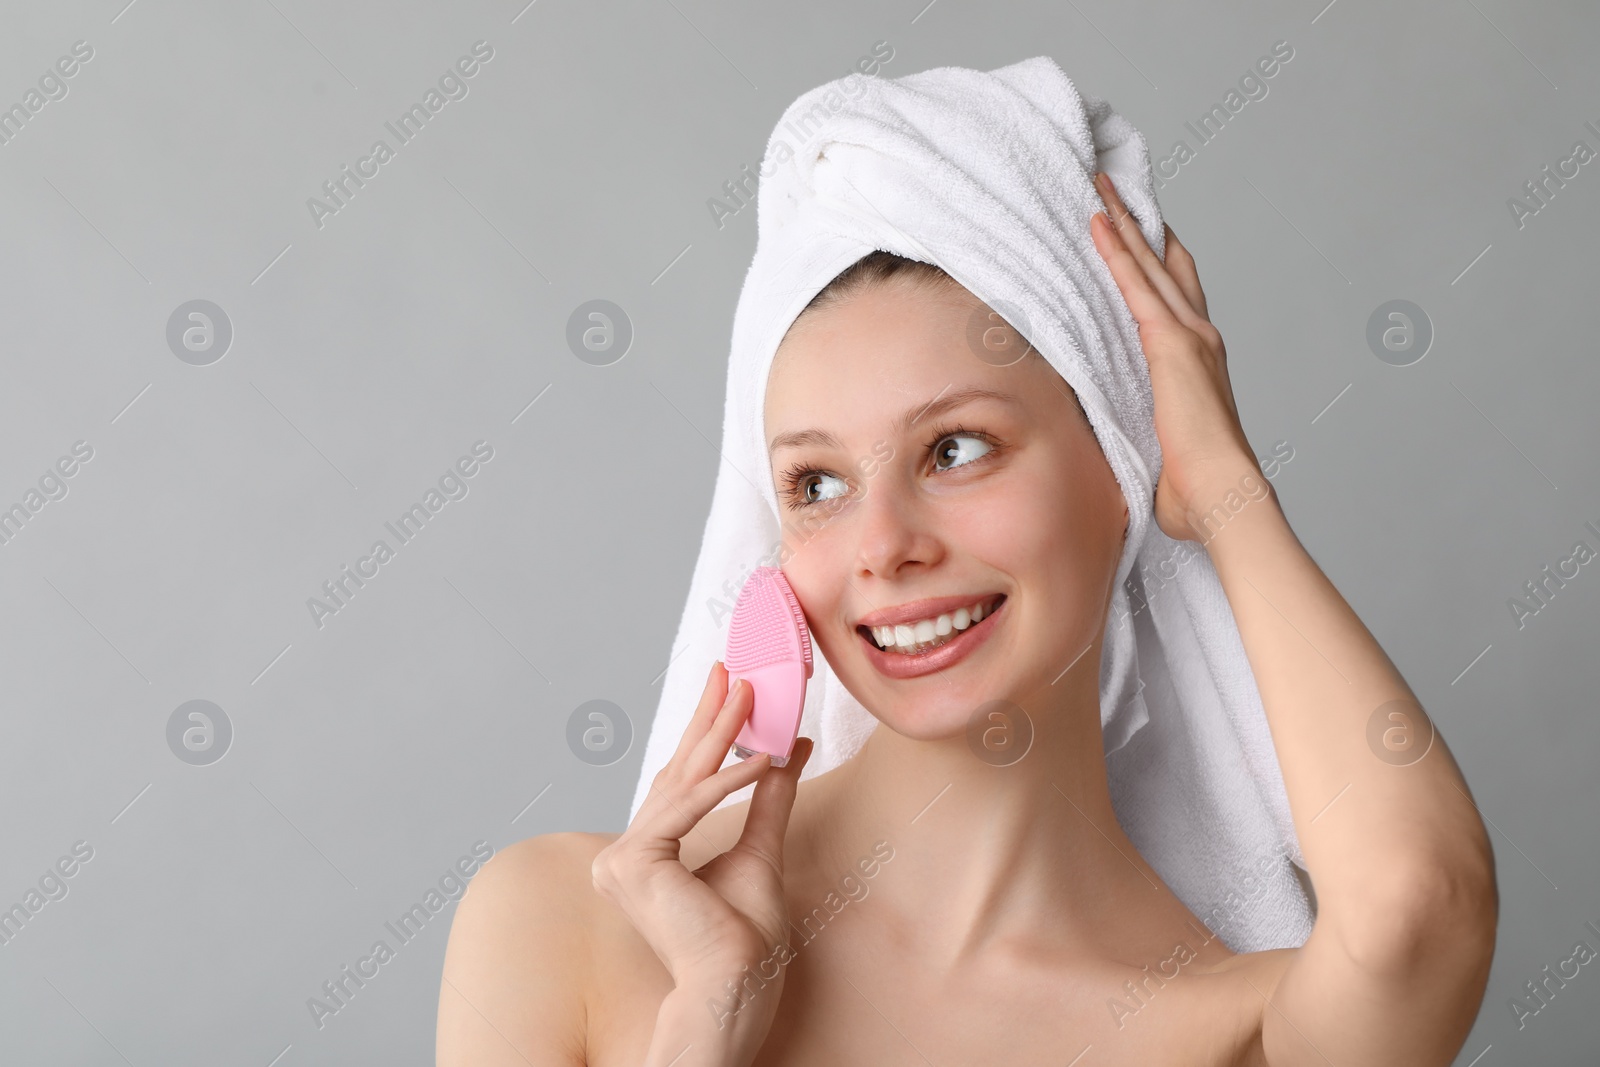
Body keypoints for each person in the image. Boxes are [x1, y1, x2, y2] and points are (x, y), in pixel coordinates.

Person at [436, 173, 1498, 1066]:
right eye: (815, 482)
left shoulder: (1229, 1026)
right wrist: (705, 1019)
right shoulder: (566, 922)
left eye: (955, 448)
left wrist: (1220, 488)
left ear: (1121, 469)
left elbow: (1420, 906)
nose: (880, 543)